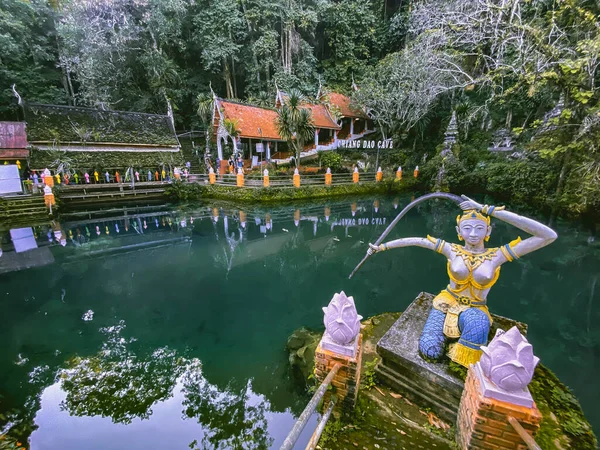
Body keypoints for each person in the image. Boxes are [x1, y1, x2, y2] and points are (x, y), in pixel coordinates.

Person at [367, 195, 557, 368]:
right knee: (429, 350)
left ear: (488, 230)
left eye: (479, 228)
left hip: (475, 308)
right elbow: (417, 241)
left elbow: (547, 235)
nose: (473, 233)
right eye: (467, 228)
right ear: (459, 231)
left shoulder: (497, 256)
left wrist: (486, 209)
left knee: (472, 342)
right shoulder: (452, 250)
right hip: (445, 303)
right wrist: (381, 247)